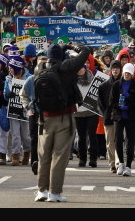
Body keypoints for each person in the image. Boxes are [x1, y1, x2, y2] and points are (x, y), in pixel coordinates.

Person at [34, 42, 90, 203]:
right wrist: (71, 46)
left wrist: (60, 49)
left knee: (44, 155)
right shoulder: (66, 67)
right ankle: (55, 192)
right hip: (64, 117)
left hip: (44, 118)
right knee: (59, 156)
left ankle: (41, 190)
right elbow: (85, 52)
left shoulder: (39, 68)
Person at [108, 62, 135, 177]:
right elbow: (111, 101)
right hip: (119, 116)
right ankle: (121, 163)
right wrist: (118, 107)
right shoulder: (116, 85)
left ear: (132, 74)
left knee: (130, 141)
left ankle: (128, 166)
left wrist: (129, 102)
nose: (127, 75)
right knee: (118, 140)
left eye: (129, 73)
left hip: (131, 117)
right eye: (125, 73)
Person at [19, 53, 49, 175]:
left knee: (46, 138)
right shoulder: (30, 80)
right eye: (40, 62)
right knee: (34, 137)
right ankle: (35, 161)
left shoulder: (50, 78)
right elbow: (23, 95)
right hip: (34, 112)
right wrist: (27, 107)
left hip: (47, 113)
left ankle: (45, 161)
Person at [3, 56, 32, 166]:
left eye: (11, 67)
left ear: (17, 67)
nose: (9, 70)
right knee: (15, 134)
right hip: (13, 109)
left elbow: (33, 93)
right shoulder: (8, 79)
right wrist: (7, 95)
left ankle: (26, 153)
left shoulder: (29, 78)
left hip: (25, 109)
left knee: (25, 135)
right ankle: (15, 155)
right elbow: (5, 93)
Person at [72, 64, 99, 168]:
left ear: (85, 68)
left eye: (81, 68)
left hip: (92, 111)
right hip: (78, 112)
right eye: (77, 68)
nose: (79, 70)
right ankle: (82, 158)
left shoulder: (92, 79)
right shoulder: (73, 81)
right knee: (81, 136)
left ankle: (93, 159)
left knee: (92, 134)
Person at [98, 60, 122, 173]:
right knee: (109, 142)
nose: (115, 70)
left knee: (118, 140)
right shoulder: (103, 86)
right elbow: (100, 103)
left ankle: (118, 163)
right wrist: (106, 113)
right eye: (113, 68)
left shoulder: (124, 84)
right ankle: (112, 163)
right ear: (110, 70)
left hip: (121, 117)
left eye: (117, 68)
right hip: (108, 117)